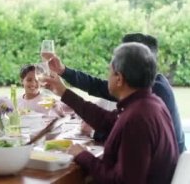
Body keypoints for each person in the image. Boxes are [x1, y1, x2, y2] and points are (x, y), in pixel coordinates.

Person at [44, 42, 179, 183]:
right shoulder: (151, 103)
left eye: (109, 72)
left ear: (119, 79)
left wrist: (83, 155)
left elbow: (122, 181)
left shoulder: (137, 118)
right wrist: (63, 91)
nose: (107, 77)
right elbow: (106, 120)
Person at [44, 33, 186, 152]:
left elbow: (127, 137)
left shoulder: (153, 95)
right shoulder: (140, 89)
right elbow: (98, 88)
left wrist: (93, 136)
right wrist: (63, 71)